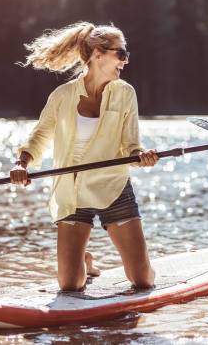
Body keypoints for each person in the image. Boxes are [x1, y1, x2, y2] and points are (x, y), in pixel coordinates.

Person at [10, 22, 159, 291]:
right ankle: (85, 261)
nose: (125, 62)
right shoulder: (62, 96)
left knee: (143, 279)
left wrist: (141, 155)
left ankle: (98, 259)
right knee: (70, 285)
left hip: (112, 186)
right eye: (121, 54)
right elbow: (40, 136)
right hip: (72, 192)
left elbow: (131, 145)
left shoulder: (125, 93)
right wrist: (21, 164)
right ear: (98, 54)